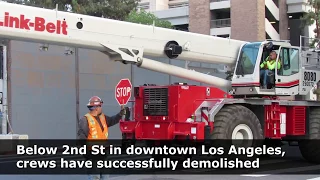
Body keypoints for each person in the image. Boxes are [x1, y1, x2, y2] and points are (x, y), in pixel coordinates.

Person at [77, 96, 126, 180]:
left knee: (105, 177)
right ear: (96, 108)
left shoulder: (103, 117)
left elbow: (112, 120)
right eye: (100, 106)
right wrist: (86, 154)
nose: (101, 108)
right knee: (94, 177)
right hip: (92, 155)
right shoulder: (85, 120)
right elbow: (81, 138)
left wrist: (120, 114)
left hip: (104, 154)